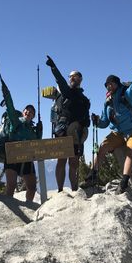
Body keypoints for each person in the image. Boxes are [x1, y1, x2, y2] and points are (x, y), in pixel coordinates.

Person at [83, 61, 132, 194]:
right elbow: (105, 122)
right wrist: (97, 121)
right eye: (107, 85)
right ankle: (93, 175)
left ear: (117, 83)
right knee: (103, 147)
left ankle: (124, 182)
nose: (109, 86)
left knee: (131, 150)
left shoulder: (127, 94)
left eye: (111, 83)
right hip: (118, 133)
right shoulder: (107, 103)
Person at [44, 55, 90, 192]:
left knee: (74, 163)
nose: (72, 78)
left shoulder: (85, 100)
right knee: (61, 161)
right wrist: (53, 68)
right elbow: (60, 81)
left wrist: (86, 123)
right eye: (71, 76)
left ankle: (75, 190)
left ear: (80, 79)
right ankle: (60, 191)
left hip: (77, 133)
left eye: (75, 76)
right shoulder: (66, 92)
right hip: (63, 131)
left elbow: (86, 117)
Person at [0, 80, 43, 202]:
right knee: (11, 186)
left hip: (27, 159)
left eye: (31, 112)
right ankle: (9, 208)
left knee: (32, 187)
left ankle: (29, 206)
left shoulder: (32, 130)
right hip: (13, 155)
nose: (29, 112)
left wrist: (40, 132)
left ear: (33, 116)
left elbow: (37, 144)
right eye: (27, 110)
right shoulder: (16, 121)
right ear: (23, 112)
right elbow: (10, 107)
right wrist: (6, 93)